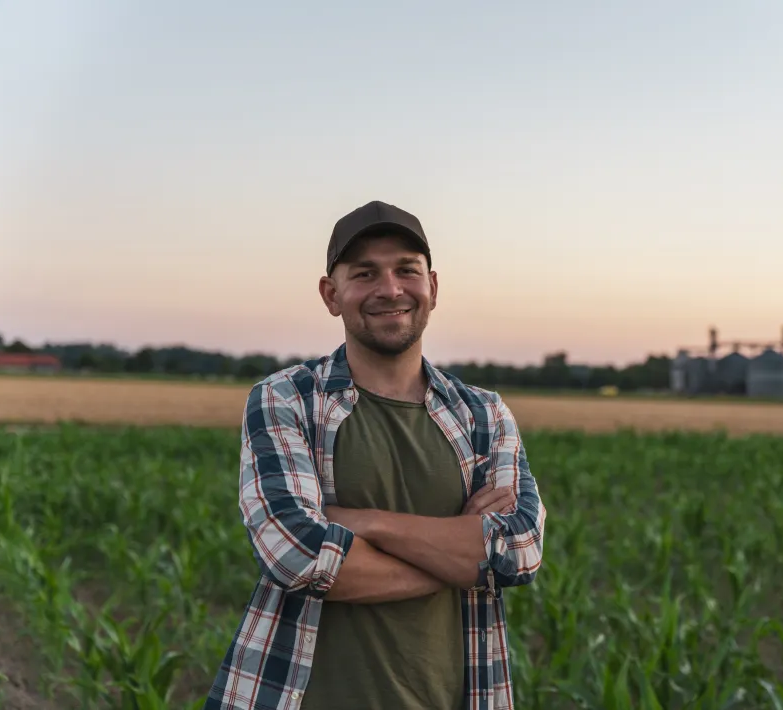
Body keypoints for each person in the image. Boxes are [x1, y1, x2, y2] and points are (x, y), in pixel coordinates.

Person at [203, 201, 547, 710]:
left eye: (406, 270)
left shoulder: (484, 415)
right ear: (331, 294)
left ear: (432, 286)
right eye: (364, 273)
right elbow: (295, 554)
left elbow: (518, 551)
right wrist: (463, 558)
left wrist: (362, 524)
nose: (390, 289)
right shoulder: (287, 399)